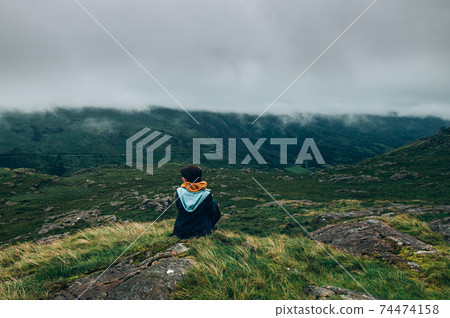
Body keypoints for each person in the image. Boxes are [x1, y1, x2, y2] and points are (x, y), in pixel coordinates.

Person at [172, 165, 221, 239]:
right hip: (201, 231)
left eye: (184, 177)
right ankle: (210, 228)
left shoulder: (179, 192)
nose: (182, 178)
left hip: (181, 231)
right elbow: (211, 211)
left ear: (187, 179)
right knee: (215, 204)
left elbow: (180, 209)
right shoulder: (206, 194)